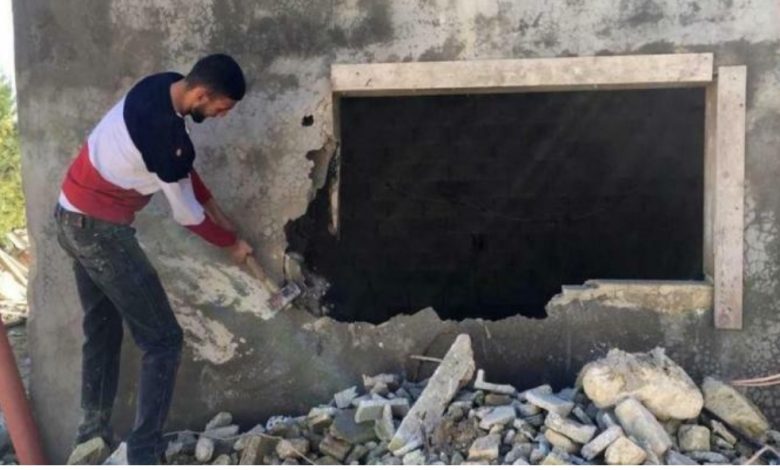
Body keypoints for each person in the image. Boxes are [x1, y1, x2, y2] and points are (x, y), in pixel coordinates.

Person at [55, 53, 253, 464]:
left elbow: (182, 167)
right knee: (163, 341)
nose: (221, 116)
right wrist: (230, 244)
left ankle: (91, 438)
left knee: (103, 329)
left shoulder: (164, 86)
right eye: (221, 108)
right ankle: (144, 454)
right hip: (100, 233)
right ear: (202, 94)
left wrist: (215, 207)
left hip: (70, 217)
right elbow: (186, 215)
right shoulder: (164, 135)